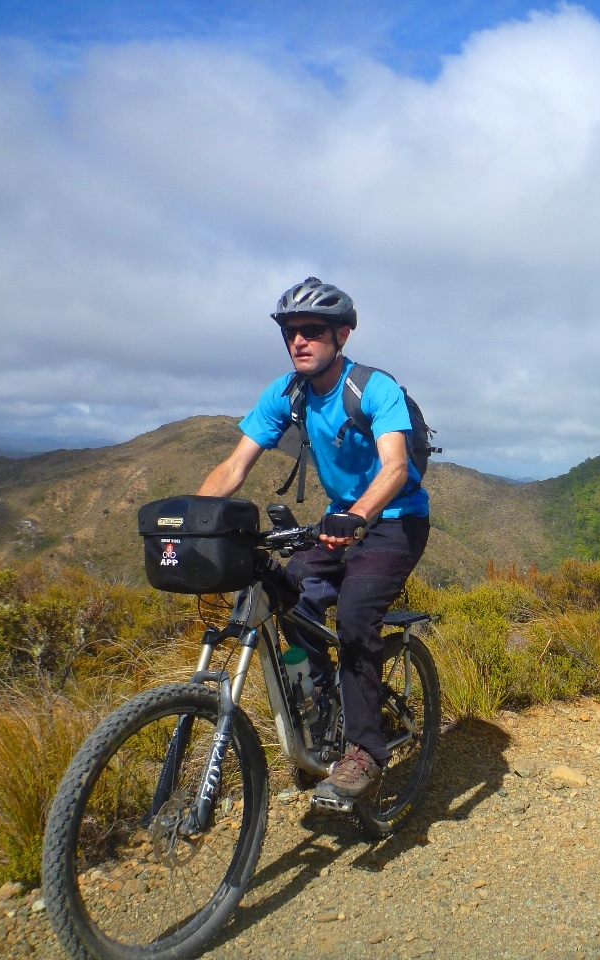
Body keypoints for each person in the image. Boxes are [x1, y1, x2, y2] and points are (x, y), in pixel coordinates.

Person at [197, 277, 429, 802]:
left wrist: (359, 513)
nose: (299, 341)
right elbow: (234, 465)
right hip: (336, 522)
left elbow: (395, 467)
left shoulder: (372, 389)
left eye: (313, 331)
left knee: (355, 614)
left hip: (395, 519)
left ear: (341, 335)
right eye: (290, 332)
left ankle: (364, 749)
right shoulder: (287, 393)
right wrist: (193, 518)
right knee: (286, 595)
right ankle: (323, 706)